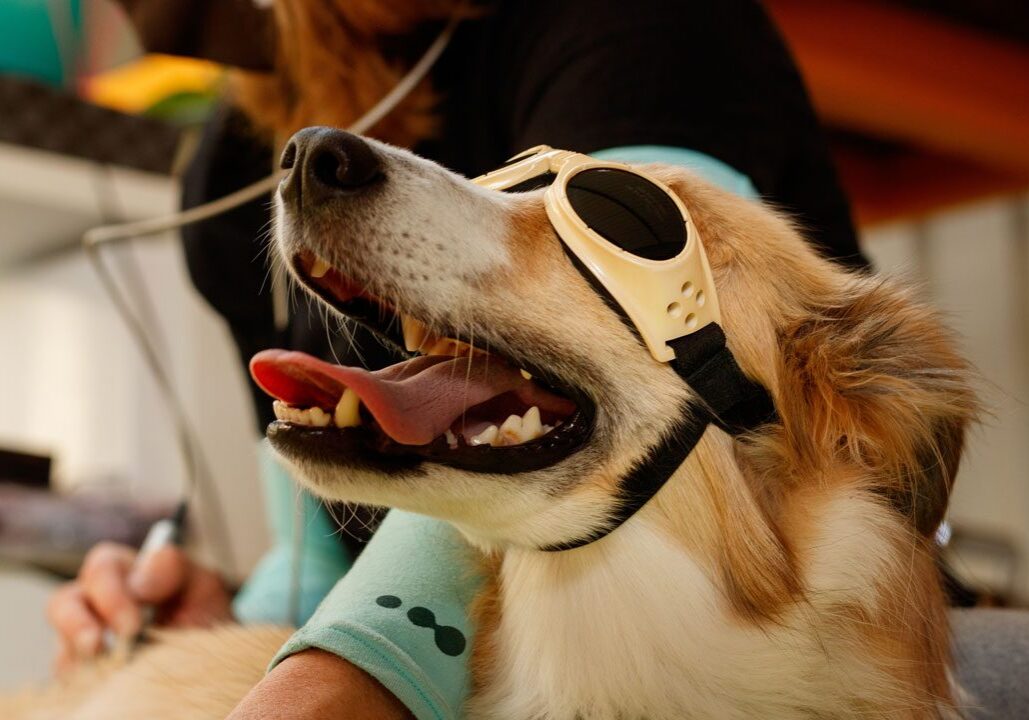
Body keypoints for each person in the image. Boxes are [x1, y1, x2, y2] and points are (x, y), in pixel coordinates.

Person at [49, 1, 949, 717]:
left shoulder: (637, 27)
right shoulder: (227, 171)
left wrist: (337, 668)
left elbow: (653, 329)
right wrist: (221, 620)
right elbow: (318, 566)